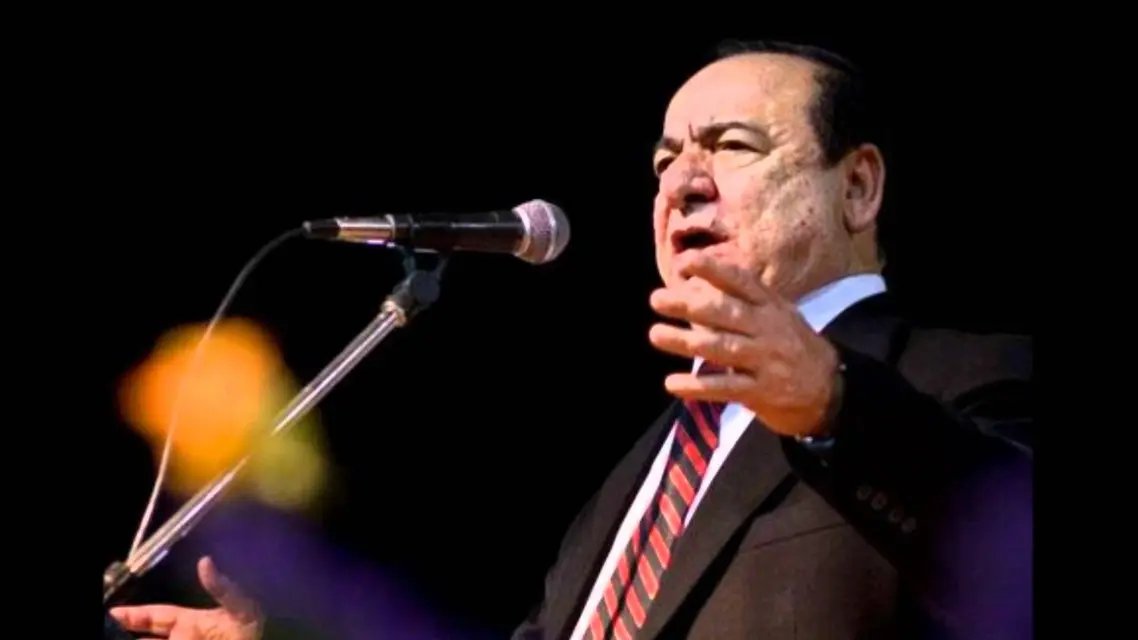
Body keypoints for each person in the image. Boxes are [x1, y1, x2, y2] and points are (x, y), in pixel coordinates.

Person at [108, 40, 1033, 639]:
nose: (682, 182)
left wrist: (836, 405)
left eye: (732, 147)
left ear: (858, 188)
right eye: (665, 161)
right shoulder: (639, 477)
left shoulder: (969, 371)